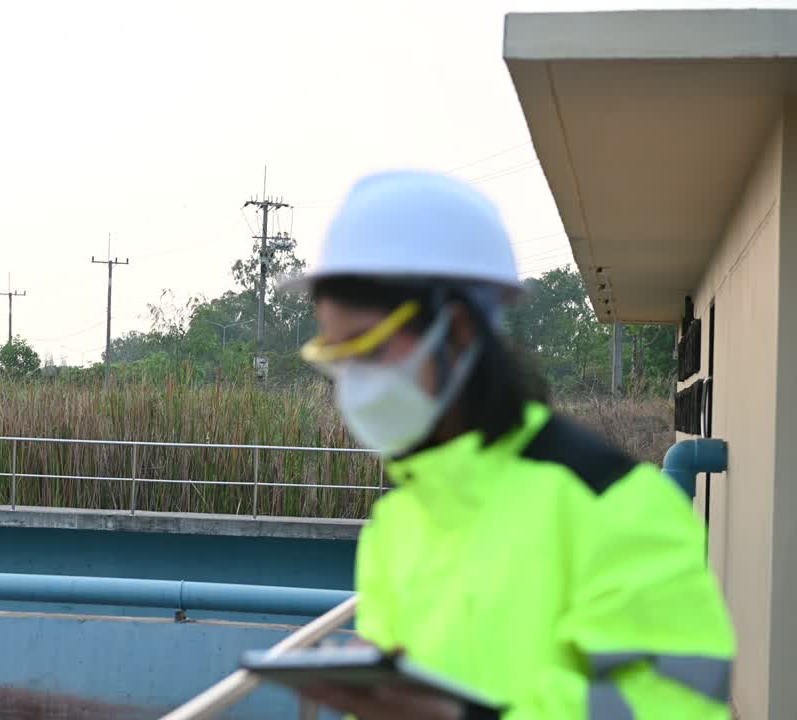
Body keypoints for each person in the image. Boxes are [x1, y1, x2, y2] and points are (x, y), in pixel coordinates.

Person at [284, 170, 736, 719]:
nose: (352, 382)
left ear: (457, 329)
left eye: (366, 347)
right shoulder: (399, 523)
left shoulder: (614, 502)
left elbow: (678, 706)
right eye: (336, 356)